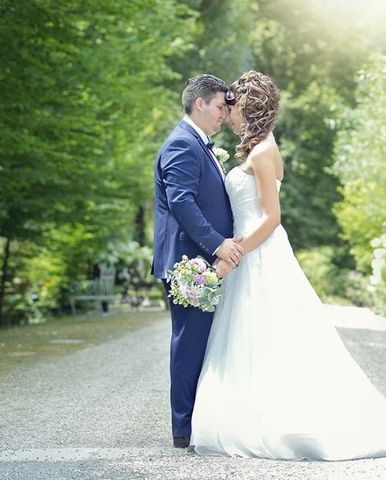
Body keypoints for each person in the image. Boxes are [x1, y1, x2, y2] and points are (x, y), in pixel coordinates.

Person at [190, 71, 386, 460]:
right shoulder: (259, 149)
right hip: (250, 250)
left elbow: (271, 219)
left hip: (258, 252)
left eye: (234, 105)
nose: (229, 113)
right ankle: (251, 411)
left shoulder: (261, 154)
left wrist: (234, 256)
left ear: (250, 107)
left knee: (266, 332)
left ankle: (273, 418)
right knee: (252, 336)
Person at [151, 74, 245, 449]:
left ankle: (195, 423)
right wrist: (218, 244)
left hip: (202, 260)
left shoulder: (199, 145)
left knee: (202, 343)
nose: (225, 114)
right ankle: (183, 431)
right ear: (200, 103)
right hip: (189, 263)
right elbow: (181, 203)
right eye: (221, 106)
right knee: (189, 343)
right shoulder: (182, 145)